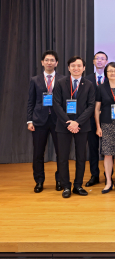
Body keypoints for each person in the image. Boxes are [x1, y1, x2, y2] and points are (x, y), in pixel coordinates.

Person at [52, 56, 96, 198]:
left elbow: (91, 106)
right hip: (63, 125)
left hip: (82, 126)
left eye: (79, 65)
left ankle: (78, 185)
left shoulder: (89, 84)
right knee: (63, 157)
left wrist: (78, 122)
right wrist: (69, 122)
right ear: (68, 68)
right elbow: (56, 104)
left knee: (81, 157)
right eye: (73, 66)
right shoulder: (60, 83)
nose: (76, 68)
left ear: (84, 68)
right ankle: (66, 186)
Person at [27, 50, 63, 193]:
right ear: (42, 62)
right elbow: (31, 102)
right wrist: (29, 120)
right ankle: (39, 181)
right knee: (38, 153)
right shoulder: (35, 80)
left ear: (56, 63)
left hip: (58, 121)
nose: (49, 62)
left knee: (61, 152)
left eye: (52, 60)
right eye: (46, 60)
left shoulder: (62, 79)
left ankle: (60, 180)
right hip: (39, 121)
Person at [94, 62, 115, 193]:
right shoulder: (101, 88)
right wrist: (98, 126)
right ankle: (108, 181)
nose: (112, 73)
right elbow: (97, 109)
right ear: (106, 73)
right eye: (109, 71)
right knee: (107, 155)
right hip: (107, 124)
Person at [84, 51, 109, 187]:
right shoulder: (87, 79)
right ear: (93, 62)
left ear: (106, 61)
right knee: (93, 148)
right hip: (91, 119)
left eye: (102, 59)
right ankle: (94, 175)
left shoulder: (112, 78)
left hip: (107, 118)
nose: (99, 61)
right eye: (97, 59)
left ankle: (108, 175)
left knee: (108, 149)